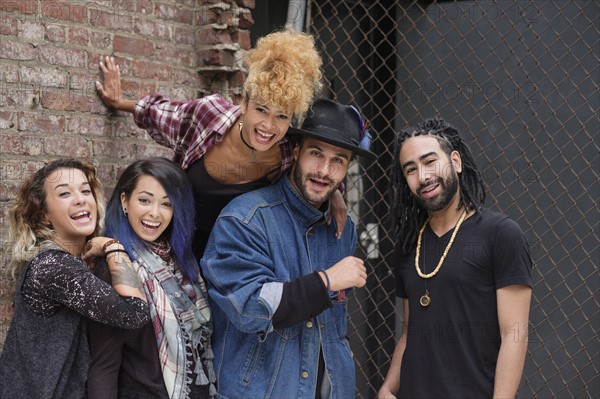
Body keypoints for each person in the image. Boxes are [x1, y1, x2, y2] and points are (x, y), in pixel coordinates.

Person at [95, 29, 348, 260]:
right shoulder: (210, 116)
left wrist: (336, 193)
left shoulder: (286, 152)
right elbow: (160, 113)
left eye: (281, 116)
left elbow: (317, 168)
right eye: (261, 110)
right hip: (178, 247)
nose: (269, 126)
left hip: (235, 258)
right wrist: (119, 103)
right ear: (244, 103)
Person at [200, 99, 375, 398]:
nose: (323, 170)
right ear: (295, 152)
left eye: (338, 160)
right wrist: (326, 281)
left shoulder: (341, 230)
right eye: (315, 154)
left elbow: (332, 326)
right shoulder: (246, 219)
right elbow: (249, 308)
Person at [378, 119, 533, 398]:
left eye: (430, 162)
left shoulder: (501, 234)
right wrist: (388, 387)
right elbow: (410, 331)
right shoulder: (408, 244)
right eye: (410, 170)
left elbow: (515, 334)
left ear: (456, 162)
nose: (423, 176)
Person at [0, 159, 150, 399]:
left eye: (85, 190)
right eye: (64, 194)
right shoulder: (53, 266)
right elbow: (135, 314)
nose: (80, 199)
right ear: (44, 215)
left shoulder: (73, 263)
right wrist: (114, 247)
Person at [86, 158, 215, 398]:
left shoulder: (183, 264)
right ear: (125, 201)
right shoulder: (114, 268)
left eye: (167, 204)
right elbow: (104, 365)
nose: (154, 213)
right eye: (144, 200)